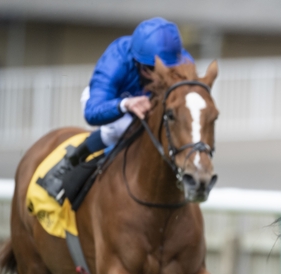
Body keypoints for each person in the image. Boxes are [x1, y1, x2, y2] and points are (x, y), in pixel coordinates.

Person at [40, 17, 193, 204]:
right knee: (120, 128)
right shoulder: (116, 60)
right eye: (155, 70)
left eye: (169, 70)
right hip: (108, 102)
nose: (162, 78)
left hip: (148, 103)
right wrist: (124, 104)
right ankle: (69, 163)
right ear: (139, 64)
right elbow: (92, 112)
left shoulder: (181, 60)